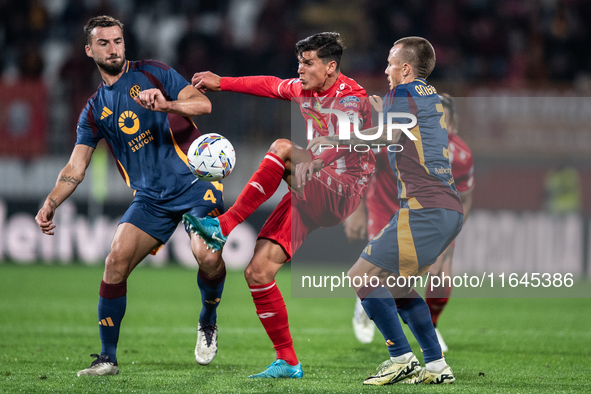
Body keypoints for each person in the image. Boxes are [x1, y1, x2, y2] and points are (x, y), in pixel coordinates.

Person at [35, 15, 227, 376]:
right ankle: (107, 358)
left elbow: (203, 105)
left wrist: (167, 105)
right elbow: (76, 167)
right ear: (90, 50)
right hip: (150, 198)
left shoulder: (154, 73)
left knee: (206, 258)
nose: (113, 48)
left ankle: (208, 317)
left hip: (196, 185)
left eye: (118, 41)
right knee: (114, 263)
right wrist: (50, 202)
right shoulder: (93, 110)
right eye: (104, 43)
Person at [183, 32, 375, 378]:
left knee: (283, 148)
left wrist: (321, 158)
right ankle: (287, 361)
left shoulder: (351, 97)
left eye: (308, 62)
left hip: (342, 189)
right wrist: (221, 82)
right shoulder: (303, 89)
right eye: (299, 61)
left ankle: (223, 226)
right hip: (310, 188)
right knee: (258, 272)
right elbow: (269, 84)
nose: (299, 69)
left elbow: (349, 138)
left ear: (331, 67)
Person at [309, 36, 463, 385]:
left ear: (406, 68)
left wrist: (336, 139)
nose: (386, 69)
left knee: (360, 277)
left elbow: (386, 137)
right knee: (396, 288)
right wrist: (386, 116)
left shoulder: (401, 94)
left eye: (391, 63)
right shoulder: (430, 96)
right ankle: (437, 367)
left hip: (425, 207)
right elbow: (407, 133)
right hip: (445, 208)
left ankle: (400, 358)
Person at [348, 94, 475, 352]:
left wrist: (450, 237)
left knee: (434, 275)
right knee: (381, 274)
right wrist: (356, 210)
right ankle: (370, 313)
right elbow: (360, 168)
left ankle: (428, 330)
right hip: (384, 205)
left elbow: (465, 197)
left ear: (453, 124)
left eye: (444, 122)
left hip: (422, 212)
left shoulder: (459, 155)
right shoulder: (399, 136)